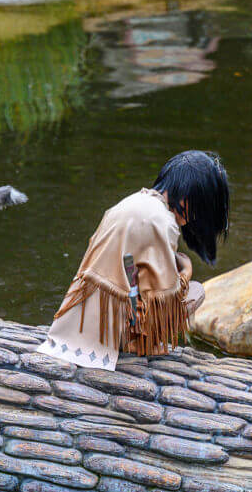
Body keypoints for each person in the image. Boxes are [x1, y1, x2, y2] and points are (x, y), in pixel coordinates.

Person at [37, 150, 229, 371]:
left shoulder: (131, 202)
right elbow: (162, 301)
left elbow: (130, 270)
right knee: (196, 292)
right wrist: (186, 271)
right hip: (113, 332)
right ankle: (136, 344)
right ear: (191, 197)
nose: (195, 218)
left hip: (75, 320)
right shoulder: (163, 222)